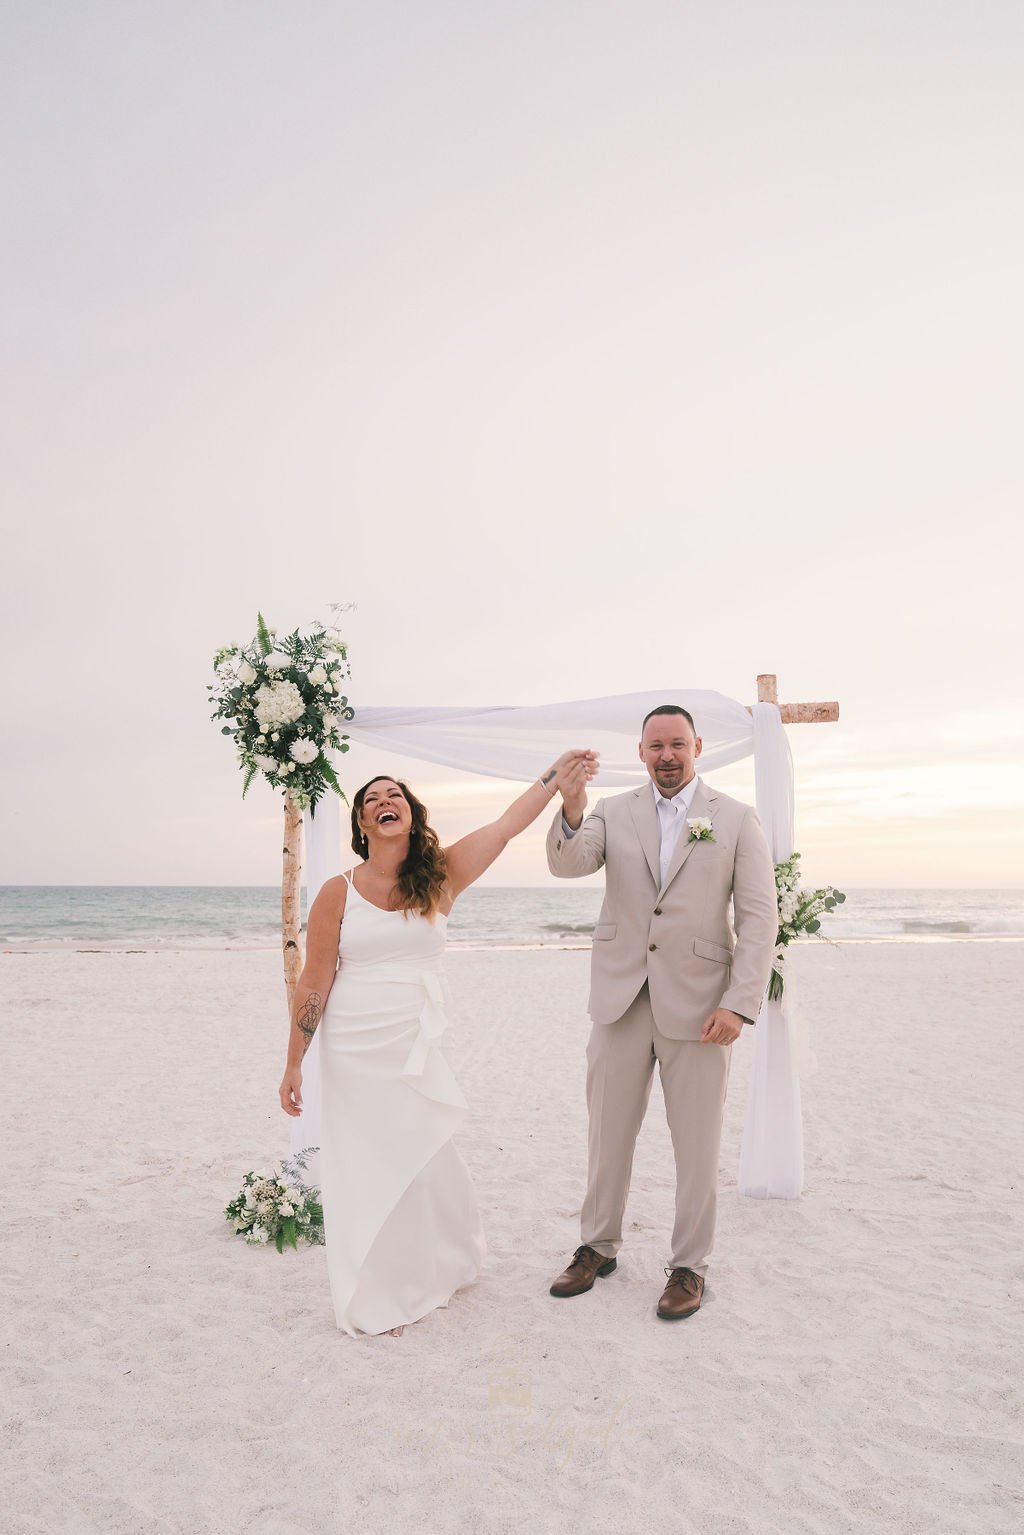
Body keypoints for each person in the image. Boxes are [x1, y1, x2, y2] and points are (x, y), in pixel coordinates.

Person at [279, 749, 598, 1337]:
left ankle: (434, 1266)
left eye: (392, 795)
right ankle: (377, 1289)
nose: (383, 803)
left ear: (411, 813)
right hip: (352, 1050)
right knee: (366, 1166)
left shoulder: (442, 876)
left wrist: (555, 778)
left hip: (412, 1045)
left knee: (422, 1160)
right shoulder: (336, 891)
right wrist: (294, 1063)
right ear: (361, 827)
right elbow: (315, 978)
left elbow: (505, 826)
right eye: (370, 800)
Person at [545, 704, 776, 1320]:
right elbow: (569, 862)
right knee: (607, 1132)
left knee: (696, 1144)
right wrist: (570, 804)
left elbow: (758, 921)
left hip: (703, 1007)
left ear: (697, 746)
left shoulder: (735, 819)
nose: (667, 755)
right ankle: (597, 1245)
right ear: (640, 751)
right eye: (656, 746)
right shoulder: (611, 810)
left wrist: (739, 1005)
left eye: (678, 744)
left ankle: (689, 1266)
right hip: (620, 998)